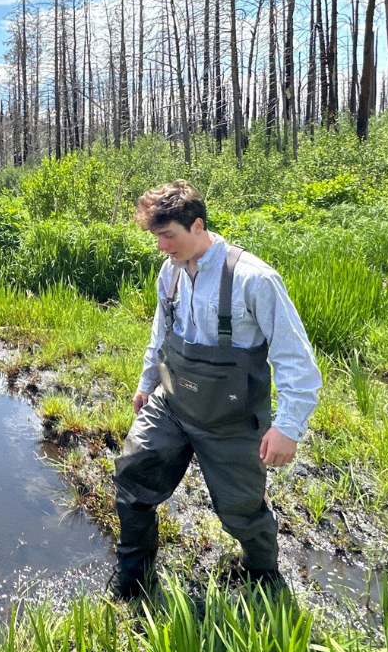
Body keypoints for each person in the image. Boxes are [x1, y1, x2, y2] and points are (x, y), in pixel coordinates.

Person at [110, 180, 322, 601]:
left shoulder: (254, 279)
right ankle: (133, 579)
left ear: (198, 225)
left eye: (167, 235)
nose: (160, 246)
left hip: (232, 420)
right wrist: (146, 384)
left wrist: (288, 428)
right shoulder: (168, 272)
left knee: (242, 512)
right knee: (132, 479)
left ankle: (263, 580)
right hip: (172, 405)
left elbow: (296, 361)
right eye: (155, 237)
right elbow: (160, 334)